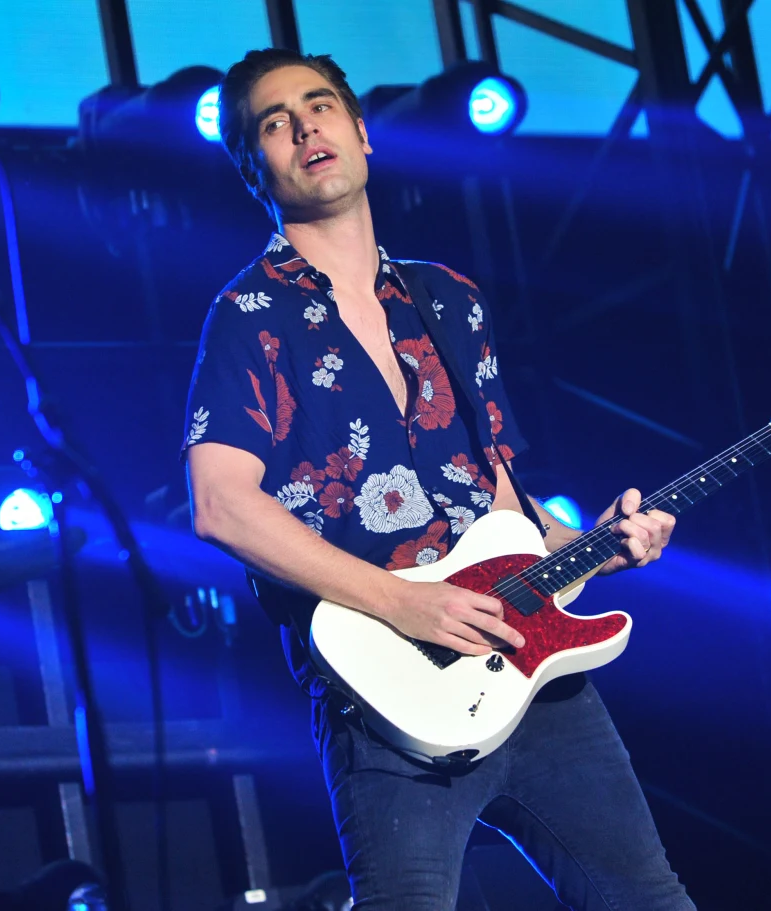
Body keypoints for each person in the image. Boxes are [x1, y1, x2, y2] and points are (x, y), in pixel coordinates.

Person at [182, 48, 693, 910]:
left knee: (648, 899)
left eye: (320, 105)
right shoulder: (248, 315)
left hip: (530, 667)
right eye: (275, 121)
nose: (306, 126)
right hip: (387, 689)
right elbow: (220, 505)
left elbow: (501, 504)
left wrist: (599, 545)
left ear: (362, 133)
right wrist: (403, 603)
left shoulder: (448, 299)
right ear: (251, 165)